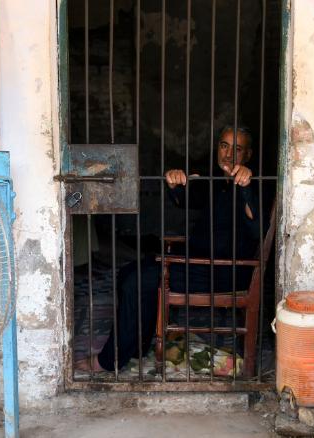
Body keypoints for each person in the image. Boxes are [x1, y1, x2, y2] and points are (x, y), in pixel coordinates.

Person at [78, 125, 264, 373]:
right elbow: (187, 199)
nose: (229, 154)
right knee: (128, 272)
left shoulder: (253, 183)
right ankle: (135, 347)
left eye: (237, 149)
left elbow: (257, 228)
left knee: (138, 280)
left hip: (222, 271)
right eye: (224, 145)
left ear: (247, 155)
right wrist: (175, 182)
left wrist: (246, 187)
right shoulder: (219, 182)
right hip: (197, 263)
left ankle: (110, 360)